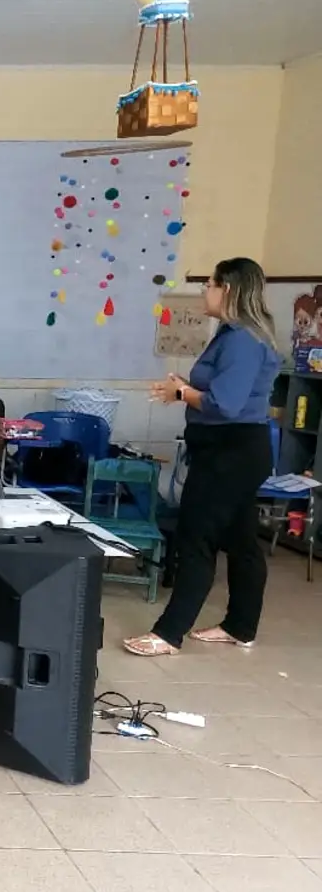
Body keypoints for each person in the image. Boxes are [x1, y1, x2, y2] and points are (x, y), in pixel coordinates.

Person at [124, 258, 281, 657]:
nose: (203, 291)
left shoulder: (243, 339)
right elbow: (221, 392)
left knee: (196, 538)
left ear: (228, 289)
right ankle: (240, 626)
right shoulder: (233, 334)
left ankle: (169, 633)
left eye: (209, 285)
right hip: (234, 450)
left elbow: (225, 404)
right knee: (242, 540)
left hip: (230, 454)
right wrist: (185, 388)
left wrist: (182, 393)